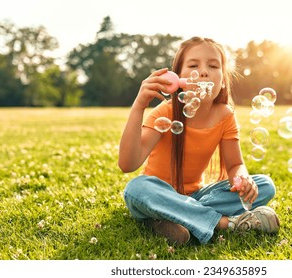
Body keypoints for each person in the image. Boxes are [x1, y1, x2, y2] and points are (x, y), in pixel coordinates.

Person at [118, 37, 280, 245]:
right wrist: (139, 105)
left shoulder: (225, 115)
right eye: (194, 65)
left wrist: (243, 180)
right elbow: (127, 164)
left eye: (213, 66)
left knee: (265, 185)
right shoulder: (165, 112)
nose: (203, 72)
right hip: (157, 194)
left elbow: (235, 164)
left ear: (222, 80)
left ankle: (171, 219)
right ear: (177, 78)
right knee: (136, 189)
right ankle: (225, 223)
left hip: (197, 196)